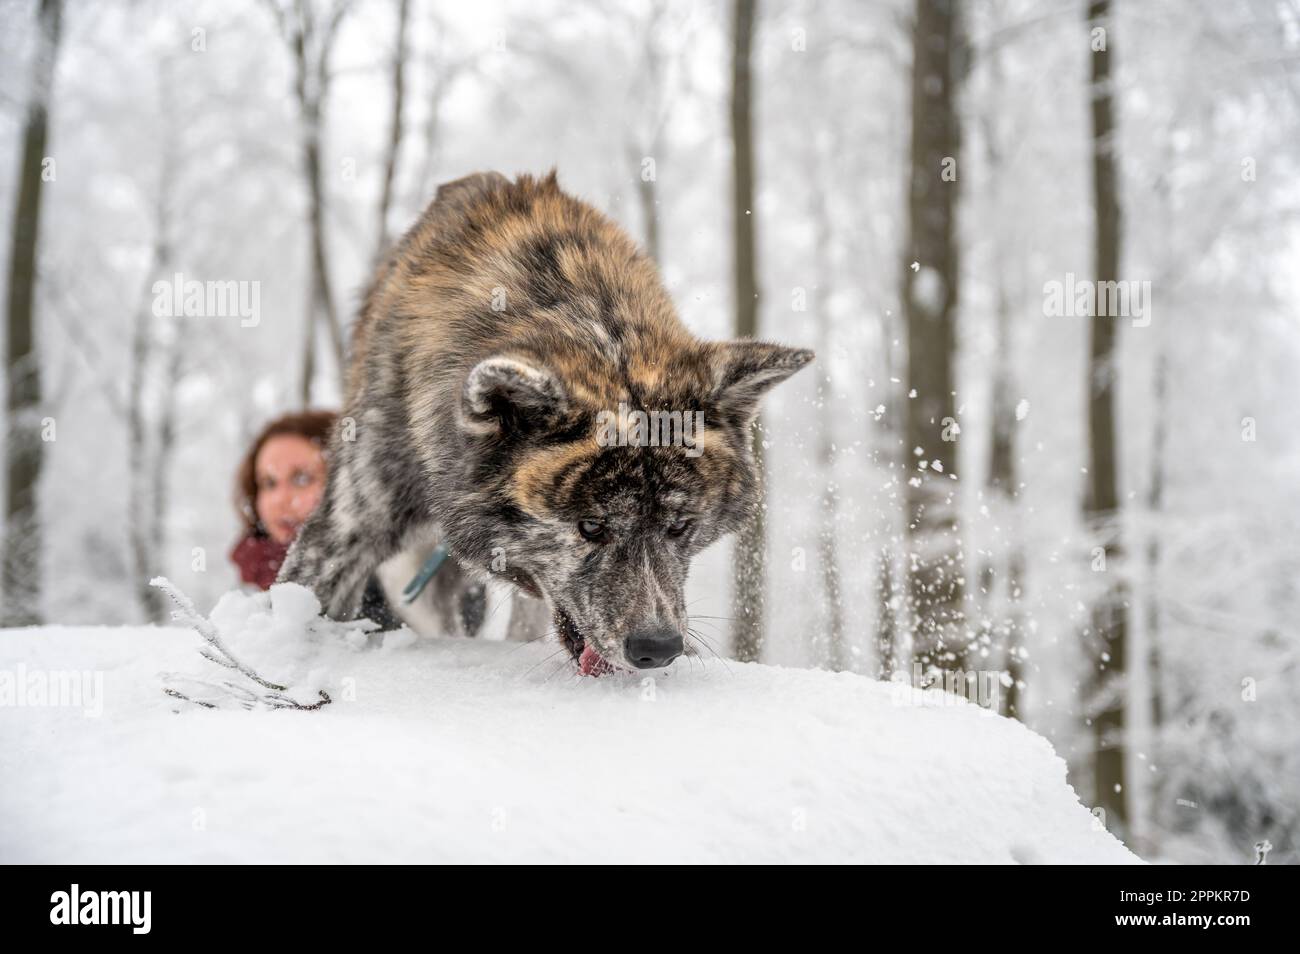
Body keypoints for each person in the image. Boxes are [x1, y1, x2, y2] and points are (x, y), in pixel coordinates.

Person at [229, 410, 403, 630]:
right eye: (269, 483)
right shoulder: (249, 584)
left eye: (302, 478)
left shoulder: (401, 579)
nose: (281, 500)